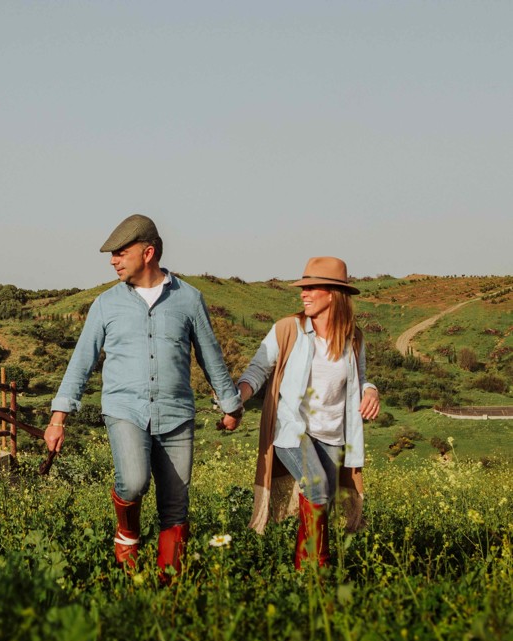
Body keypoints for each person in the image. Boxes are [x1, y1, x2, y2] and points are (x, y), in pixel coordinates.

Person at [45, 214, 244, 580]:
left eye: (121, 252)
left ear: (147, 252)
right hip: (125, 411)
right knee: (133, 483)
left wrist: (230, 405)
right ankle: (127, 535)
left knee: (175, 506)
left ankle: (169, 588)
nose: (113, 260)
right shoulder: (105, 304)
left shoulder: (189, 299)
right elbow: (80, 363)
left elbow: (211, 356)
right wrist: (58, 419)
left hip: (176, 414)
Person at [235, 256, 380, 569]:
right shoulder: (289, 329)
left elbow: (362, 377)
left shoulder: (353, 338)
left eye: (312, 288)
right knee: (316, 486)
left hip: (333, 434)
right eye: (304, 287)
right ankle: (318, 567)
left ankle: (304, 569)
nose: (304, 293)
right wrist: (240, 396)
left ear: (333, 294)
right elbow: (258, 368)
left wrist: (371, 390)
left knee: (322, 501)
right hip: (292, 429)